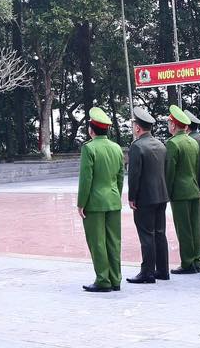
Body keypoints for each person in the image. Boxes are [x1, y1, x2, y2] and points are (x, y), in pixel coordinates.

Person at [77, 107, 124, 292]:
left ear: (91, 129)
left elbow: (86, 179)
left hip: (95, 203)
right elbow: (120, 176)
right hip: (113, 200)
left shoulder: (89, 148)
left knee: (97, 242)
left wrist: (81, 203)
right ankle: (116, 278)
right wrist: (116, 196)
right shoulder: (116, 148)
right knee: (114, 241)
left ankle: (103, 280)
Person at [126, 105, 170, 283]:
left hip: (145, 197)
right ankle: (163, 270)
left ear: (138, 127)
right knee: (160, 233)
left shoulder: (137, 147)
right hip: (161, 195)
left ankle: (147, 273)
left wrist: (131, 197)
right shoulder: (160, 145)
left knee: (146, 235)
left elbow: (134, 175)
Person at [164, 106, 200, 274]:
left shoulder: (172, 143)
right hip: (193, 188)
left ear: (174, 125)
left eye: (169, 122)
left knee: (184, 228)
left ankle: (187, 262)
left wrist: (167, 192)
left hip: (179, 192)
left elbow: (170, 172)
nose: (168, 125)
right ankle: (196, 260)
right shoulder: (193, 141)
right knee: (195, 227)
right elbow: (197, 167)